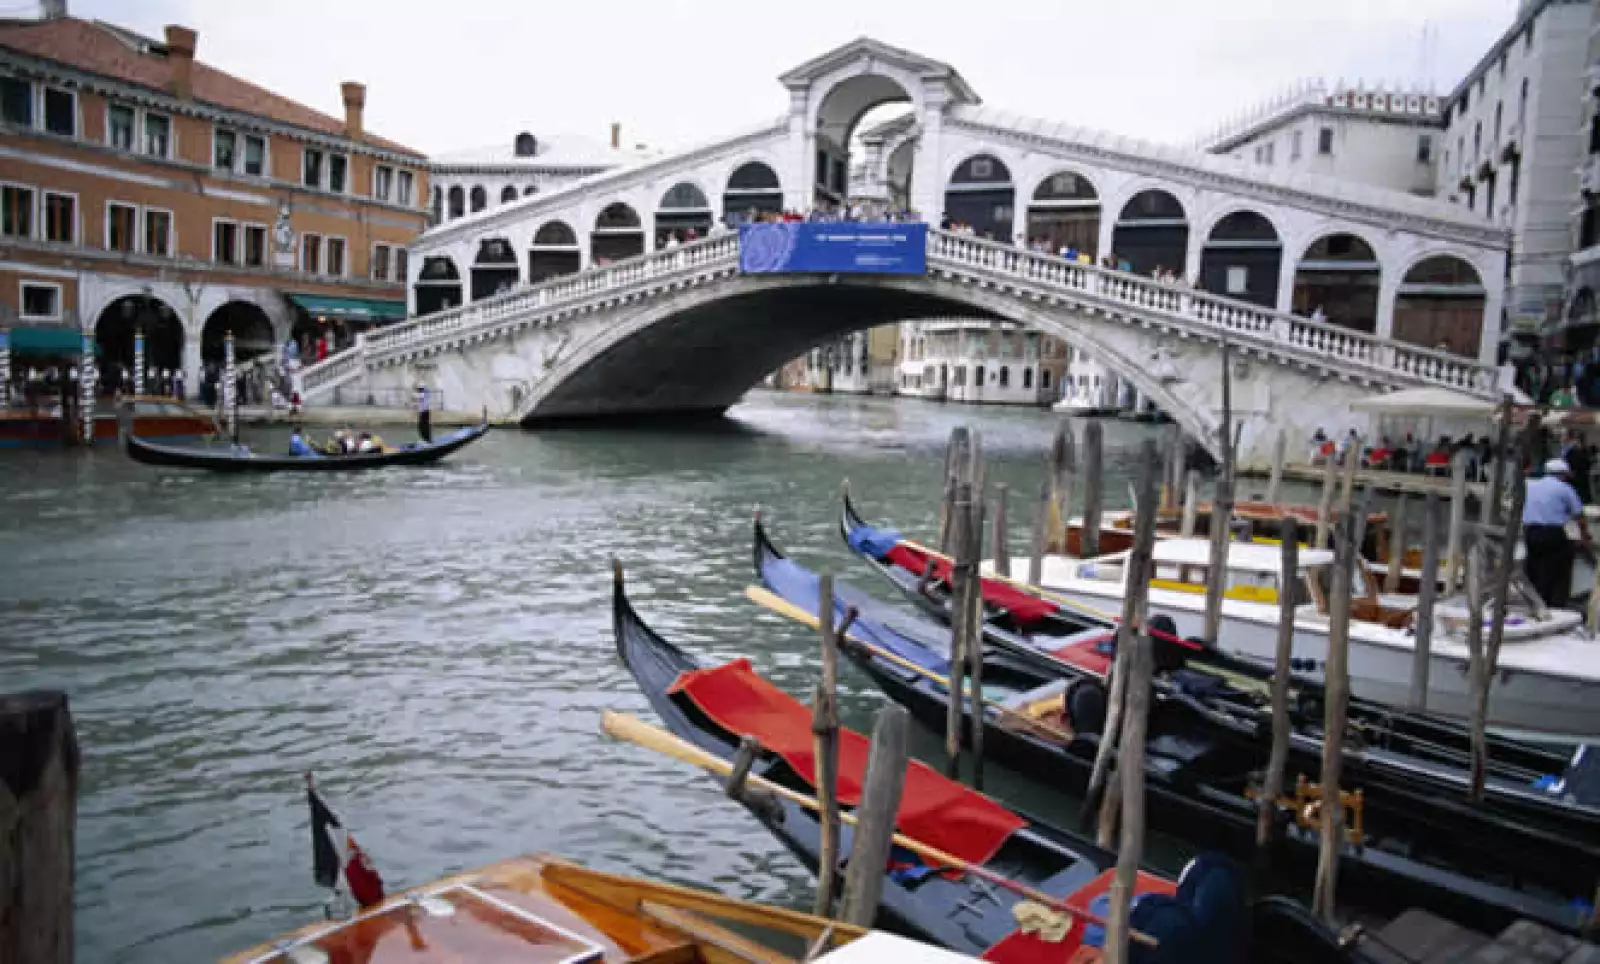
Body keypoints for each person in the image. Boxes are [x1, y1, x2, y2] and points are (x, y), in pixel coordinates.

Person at [1522, 458, 1593, 608]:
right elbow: (1579, 515)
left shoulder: (1530, 485)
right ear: (1562, 474)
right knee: (1560, 570)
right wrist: (1585, 536)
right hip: (1552, 533)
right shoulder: (1565, 488)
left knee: (1535, 567)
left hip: (1531, 533)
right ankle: (1556, 604)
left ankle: (1535, 602)